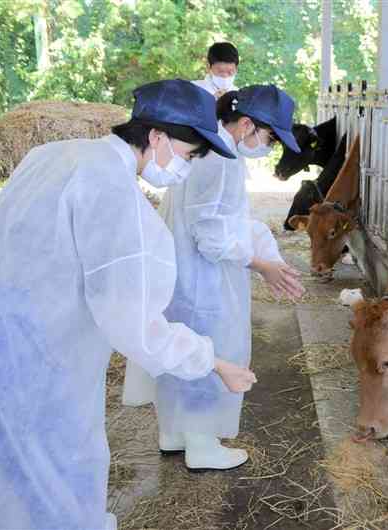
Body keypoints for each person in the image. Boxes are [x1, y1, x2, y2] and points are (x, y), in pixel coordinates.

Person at [0, 79, 257, 530]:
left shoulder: (60, 153)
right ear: (157, 137)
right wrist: (214, 362)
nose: (185, 167)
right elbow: (135, 323)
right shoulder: (114, 192)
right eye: (187, 154)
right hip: (36, 350)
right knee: (56, 461)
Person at [124, 85, 306, 471]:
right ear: (246, 124)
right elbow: (209, 234)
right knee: (214, 344)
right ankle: (202, 444)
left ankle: (175, 434)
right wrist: (261, 264)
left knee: (186, 343)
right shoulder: (220, 156)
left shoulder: (207, 147)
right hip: (202, 275)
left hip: (184, 268)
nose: (270, 147)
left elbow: (224, 220)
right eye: (270, 137)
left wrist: (261, 250)